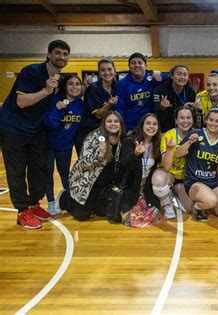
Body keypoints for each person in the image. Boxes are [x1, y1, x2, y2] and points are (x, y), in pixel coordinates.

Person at [0, 39, 70, 229]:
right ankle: (22, 211)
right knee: (17, 171)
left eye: (65, 54)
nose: (61, 57)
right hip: (13, 128)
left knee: (39, 169)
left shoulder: (59, 79)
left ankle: (33, 204)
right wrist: (46, 91)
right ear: (48, 54)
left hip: (37, 130)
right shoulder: (31, 71)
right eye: (57, 53)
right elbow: (21, 101)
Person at [56, 111, 125, 221]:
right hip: (86, 183)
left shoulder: (122, 140)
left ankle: (94, 203)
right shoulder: (94, 137)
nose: (113, 124)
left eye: (116, 121)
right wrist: (99, 156)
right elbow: (83, 164)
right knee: (82, 216)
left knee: (102, 213)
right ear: (104, 123)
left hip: (104, 185)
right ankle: (65, 198)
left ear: (121, 124)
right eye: (109, 121)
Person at [175, 108, 218, 222]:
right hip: (194, 180)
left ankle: (204, 202)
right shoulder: (195, 134)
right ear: (206, 120)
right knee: (211, 200)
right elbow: (177, 154)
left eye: (217, 121)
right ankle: (197, 207)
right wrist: (189, 142)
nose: (213, 123)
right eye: (211, 120)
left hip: (213, 181)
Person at [44, 74, 84, 215]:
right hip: (48, 144)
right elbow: (50, 123)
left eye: (77, 84)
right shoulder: (55, 100)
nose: (74, 87)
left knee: (65, 173)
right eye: (71, 84)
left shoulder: (81, 105)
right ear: (65, 86)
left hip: (65, 146)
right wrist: (57, 109)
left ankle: (69, 198)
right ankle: (50, 201)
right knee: (47, 172)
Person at [152, 106, 194, 219]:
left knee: (188, 208)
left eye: (188, 118)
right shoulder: (169, 135)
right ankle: (167, 203)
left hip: (185, 177)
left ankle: (173, 192)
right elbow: (166, 167)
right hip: (169, 173)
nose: (185, 121)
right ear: (176, 120)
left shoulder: (196, 135)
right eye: (181, 118)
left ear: (193, 120)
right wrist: (170, 149)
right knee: (158, 179)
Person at [120, 113, 161, 226]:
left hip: (147, 189)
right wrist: (136, 154)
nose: (151, 127)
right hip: (131, 187)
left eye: (155, 124)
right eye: (148, 123)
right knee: (131, 220)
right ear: (142, 125)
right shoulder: (130, 141)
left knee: (153, 217)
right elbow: (125, 164)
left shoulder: (158, 144)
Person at [116, 52, 167, 131]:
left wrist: (162, 76)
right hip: (131, 129)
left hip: (151, 127)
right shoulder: (121, 84)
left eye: (140, 63)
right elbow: (120, 109)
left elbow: (172, 76)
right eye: (133, 63)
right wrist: (124, 130)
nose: (137, 65)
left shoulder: (153, 79)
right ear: (129, 66)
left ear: (146, 66)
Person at [77, 59, 118, 154]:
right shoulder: (93, 89)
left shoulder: (118, 86)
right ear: (99, 73)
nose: (107, 72)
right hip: (90, 131)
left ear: (114, 71)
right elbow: (98, 115)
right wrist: (109, 104)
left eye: (109, 69)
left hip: (107, 130)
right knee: (90, 164)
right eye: (102, 70)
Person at [153, 64, 196, 133]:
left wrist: (193, 109)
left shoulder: (190, 92)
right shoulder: (160, 90)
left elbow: (192, 116)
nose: (182, 77)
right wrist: (162, 108)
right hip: (165, 130)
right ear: (172, 76)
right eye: (179, 74)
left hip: (184, 130)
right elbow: (155, 116)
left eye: (185, 75)